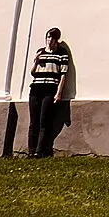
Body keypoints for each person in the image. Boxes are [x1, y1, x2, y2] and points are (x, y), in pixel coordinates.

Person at [25, 28, 71, 158]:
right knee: (33, 121)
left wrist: (59, 93)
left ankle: (39, 151)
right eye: (47, 38)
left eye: (51, 38)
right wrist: (36, 61)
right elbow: (33, 72)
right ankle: (31, 151)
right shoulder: (40, 52)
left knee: (43, 119)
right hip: (36, 88)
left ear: (56, 40)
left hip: (50, 89)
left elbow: (63, 75)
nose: (49, 41)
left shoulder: (62, 53)